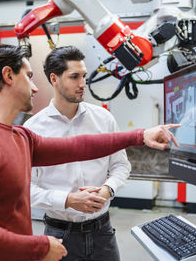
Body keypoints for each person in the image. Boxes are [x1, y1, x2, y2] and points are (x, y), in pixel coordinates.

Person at [0, 43, 179, 261]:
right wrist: (40, 247)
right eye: (29, 77)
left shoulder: (19, 137)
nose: (34, 88)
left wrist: (140, 135)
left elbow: (78, 146)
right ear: (8, 75)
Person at [23, 46, 129, 261]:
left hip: (103, 232)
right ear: (54, 78)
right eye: (74, 77)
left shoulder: (103, 119)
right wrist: (68, 200)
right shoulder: (33, 129)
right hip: (59, 235)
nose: (83, 84)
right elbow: (26, 188)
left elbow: (121, 165)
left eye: (84, 76)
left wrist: (108, 189)